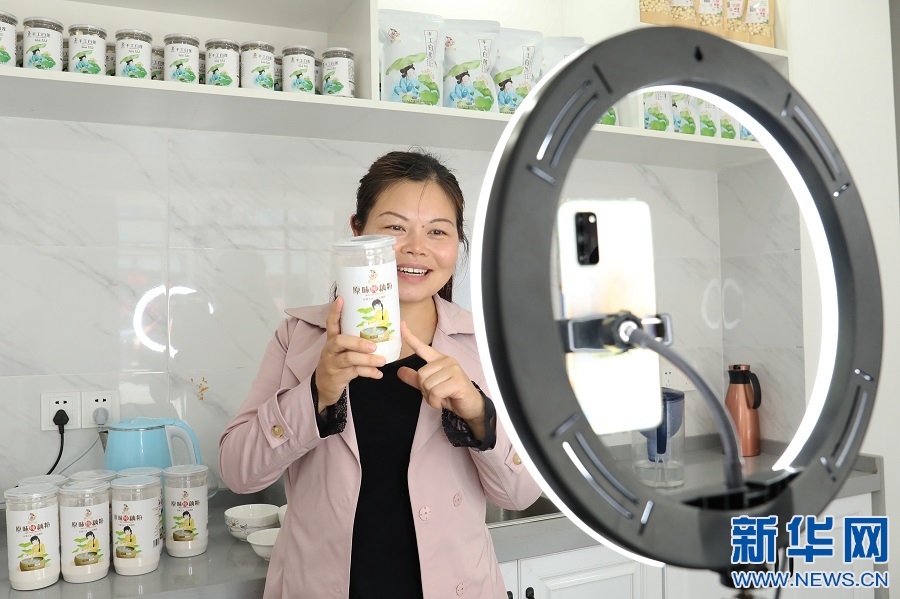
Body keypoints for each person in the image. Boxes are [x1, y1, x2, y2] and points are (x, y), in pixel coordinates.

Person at [219, 150, 541, 599]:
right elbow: (238, 473)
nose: (416, 247)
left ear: (457, 243)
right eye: (395, 227)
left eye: (437, 231)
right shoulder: (300, 337)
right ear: (358, 231)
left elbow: (520, 494)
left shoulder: (484, 346)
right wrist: (316, 393)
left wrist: (477, 413)